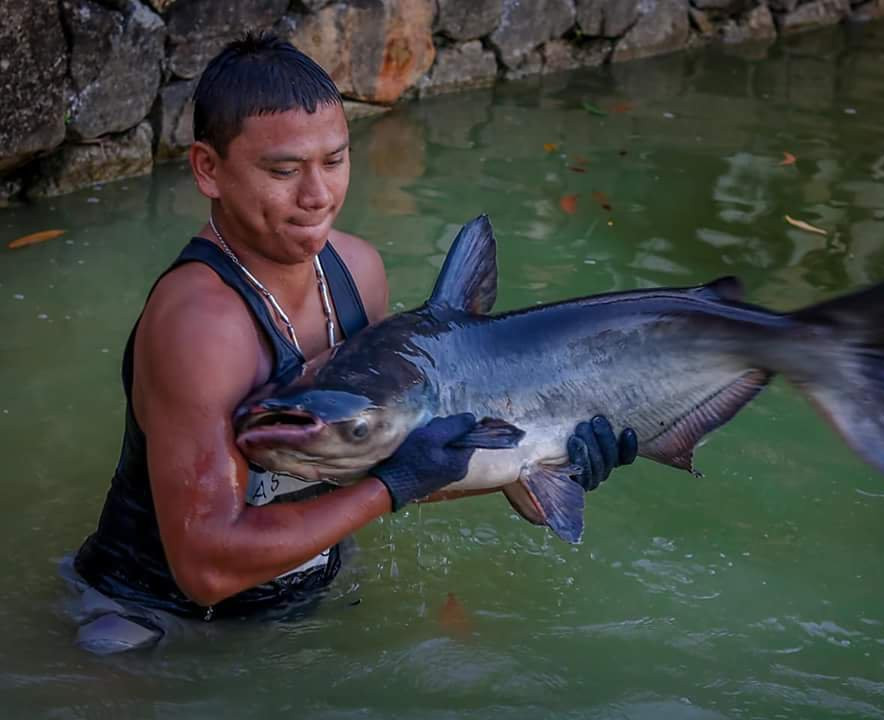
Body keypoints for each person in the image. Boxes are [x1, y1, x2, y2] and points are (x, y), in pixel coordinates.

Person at [69, 33, 637, 654]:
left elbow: (398, 451)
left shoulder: (357, 270)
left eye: (334, 161)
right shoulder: (200, 326)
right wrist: (391, 488)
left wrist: (536, 469)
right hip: (152, 617)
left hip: (309, 585)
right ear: (208, 168)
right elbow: (204, 569)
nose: (318, 196)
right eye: (283, 170)